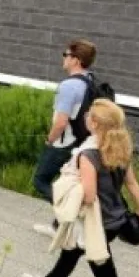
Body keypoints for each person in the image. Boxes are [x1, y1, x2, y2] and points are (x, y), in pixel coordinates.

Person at [22, 99, 139, 277]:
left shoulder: (88, 155)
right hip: (115, 218)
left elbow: (89, 196)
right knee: (71, 251)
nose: (85, 118)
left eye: (89, 115)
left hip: (95, 224)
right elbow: (132, 184)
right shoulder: (119, 148)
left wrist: (70, 189)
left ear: (94, 123)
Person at [32, 39, 99, 236]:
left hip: (64, 142)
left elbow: (61, 122)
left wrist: (50, 140)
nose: (64, 58)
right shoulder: (90, 81)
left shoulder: (69, 86)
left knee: (41, 180)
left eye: (66, 55)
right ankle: (58, 226)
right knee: (67, 182)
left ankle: (72, 215)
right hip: (81, 142)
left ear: (76, 60)